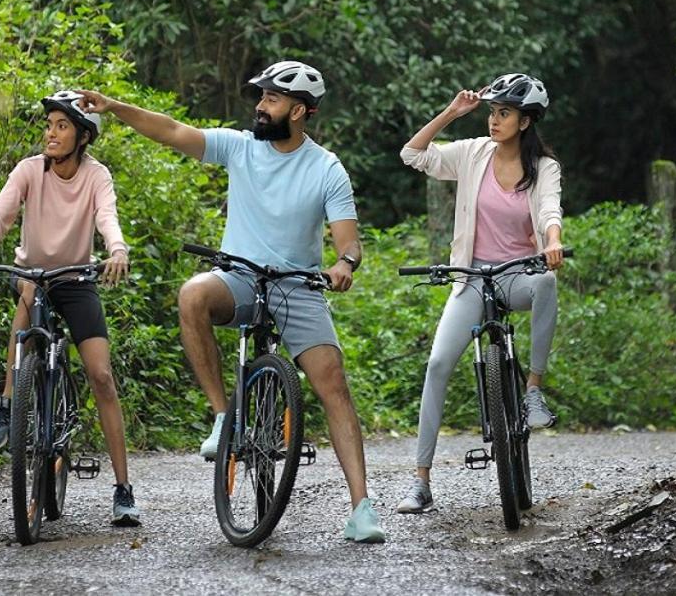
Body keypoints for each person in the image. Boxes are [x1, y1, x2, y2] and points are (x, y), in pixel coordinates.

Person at [77, 61, 387, 543]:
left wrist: (344, 264)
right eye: (260, 97)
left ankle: (361, 509)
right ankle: (225, 416)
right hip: (239, 278)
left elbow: (349, 241)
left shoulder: (327, 168)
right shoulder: (240, 147)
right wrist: (114, 107)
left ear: (299, 111)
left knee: (333, 383)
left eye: (271, 99)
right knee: (193, 293)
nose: (260, 107)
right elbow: (173, 131)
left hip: (298, 286)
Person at [0, 90, 141, 527]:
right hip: (34, 277)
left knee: (101, 375)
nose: (51, 133)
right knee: (24, 312)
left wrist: (116, 248)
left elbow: (106, 216)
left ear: (82, 136)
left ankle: (123, 489)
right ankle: (7, 406)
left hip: (76, 281)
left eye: (62, 126)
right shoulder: (28, 171)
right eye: (50, 124)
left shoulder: (96, 175)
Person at [394, 73, 565, 515]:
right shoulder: (472, 153)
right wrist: (452, 113)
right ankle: (421, 482)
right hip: (471, 277)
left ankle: (532, 392)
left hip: (517, 275)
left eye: (504, 113)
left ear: (525, 122)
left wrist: (552, 241)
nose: (494, 120)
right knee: (436, 364)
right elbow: (412, 153)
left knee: (547, 283)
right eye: (492, 112)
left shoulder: (544, 167)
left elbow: (549, 209)